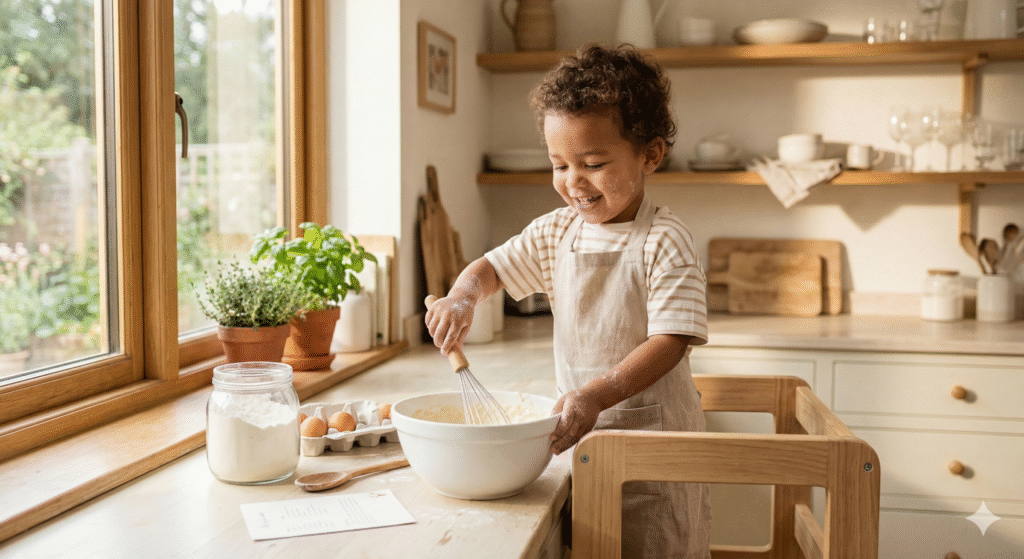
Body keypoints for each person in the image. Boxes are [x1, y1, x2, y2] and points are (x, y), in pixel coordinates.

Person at [425, 44, 711, 558]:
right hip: (583, 443)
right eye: (559, 164)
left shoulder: (666, 239)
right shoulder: (557, 232)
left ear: (649, 154)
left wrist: (597, 394)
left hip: (656, 457)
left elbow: (672, 340)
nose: (573, 182)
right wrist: (463, 296)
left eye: (594, 163)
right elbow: (490, 268)